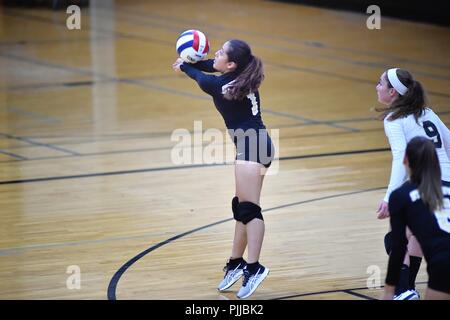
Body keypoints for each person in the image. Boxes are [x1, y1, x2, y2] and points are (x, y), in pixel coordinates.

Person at [172, 39, 274, 299]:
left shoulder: (221, 86)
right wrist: (191, 61)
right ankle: (236, 262)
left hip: (254, 147)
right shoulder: (241, 73)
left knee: (250, 210)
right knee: (241, 208)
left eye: (220, 53)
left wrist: (185, 65)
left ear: (230, 64)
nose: (214, 54)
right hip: (253, 145)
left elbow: (200, 75)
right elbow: (207, 64)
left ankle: (255, 267)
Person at [375, 68, 450, 299]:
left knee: (394, 238)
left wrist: (389, 197)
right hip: (446, 183)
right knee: (415, 235)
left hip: (425, 185)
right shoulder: (427, 112)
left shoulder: (394, 119)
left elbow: (400, 157)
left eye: (380, 83)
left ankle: (403, 290)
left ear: (393, 92)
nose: (376, 87)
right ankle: (406, 289)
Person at [383, 137, 450, 300]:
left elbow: (398, 248)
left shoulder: (401, 195)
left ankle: (403, 290)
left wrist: (389, 291)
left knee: (391, 238)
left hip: (444, 263)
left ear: (405, 160)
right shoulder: (447, 187)